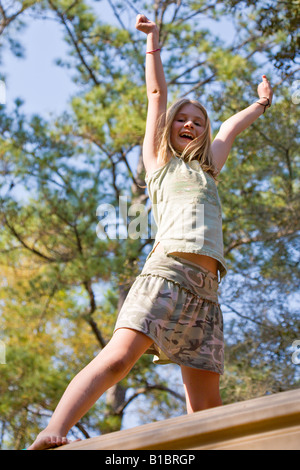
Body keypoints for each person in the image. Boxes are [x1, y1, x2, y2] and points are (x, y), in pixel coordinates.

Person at [28, 14, 273, 450]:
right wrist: (153, 43)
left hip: (208, 291)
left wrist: (259, 105)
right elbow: (157, 94)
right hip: (168, 273)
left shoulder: (210, 167)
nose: (191, 125)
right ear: (170, 128)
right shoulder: (160, 163)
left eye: (199, 122)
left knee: (206, 406)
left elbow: (232, 127)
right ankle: (53, 431)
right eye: (184, 119)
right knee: (119, 359)